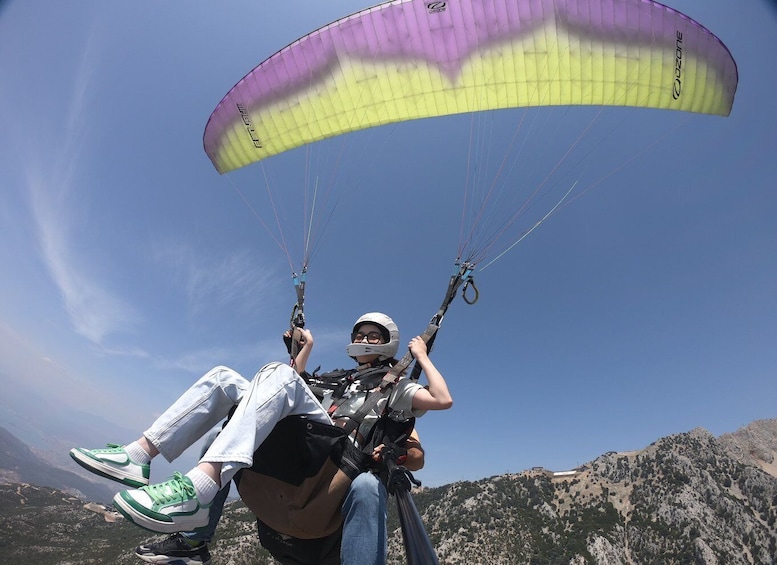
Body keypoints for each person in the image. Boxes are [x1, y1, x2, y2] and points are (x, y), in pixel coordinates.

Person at [71, 312, 451, 564]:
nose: (365, 339)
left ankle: (197, 491)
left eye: (373, 335)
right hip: (306, 455)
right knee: (224, 378)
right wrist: (305, 352)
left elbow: (441, 400)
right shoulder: (337, 379)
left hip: (335, 469)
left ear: (388, 343)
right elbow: (288, 391)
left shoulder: (396, 387)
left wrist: (421, 355)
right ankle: (142, 457)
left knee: (277, 378)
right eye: (360, 334)